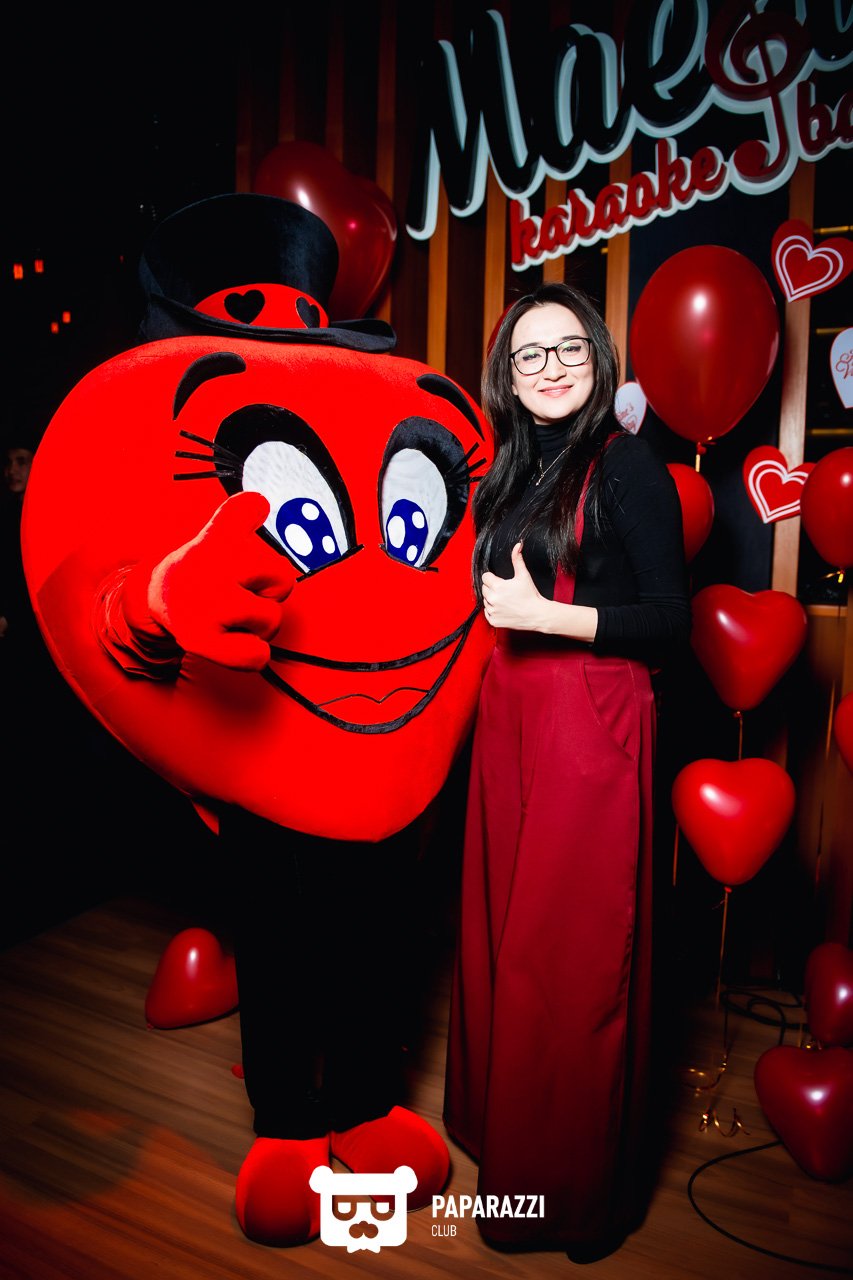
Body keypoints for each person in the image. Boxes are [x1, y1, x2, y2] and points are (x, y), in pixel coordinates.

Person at [443, 282, 691, 1260]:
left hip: (592, 722)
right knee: (503, 942)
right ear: (506, 375)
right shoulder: (507, 467)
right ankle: (508, 1150)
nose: (549, 369)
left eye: (568, 350)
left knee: (571, 960)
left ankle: (572, 1197)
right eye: (528, 354)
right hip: (510, 714)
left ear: (597, 358)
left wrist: (552, 617)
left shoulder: (627, 466)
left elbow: (668, 621)